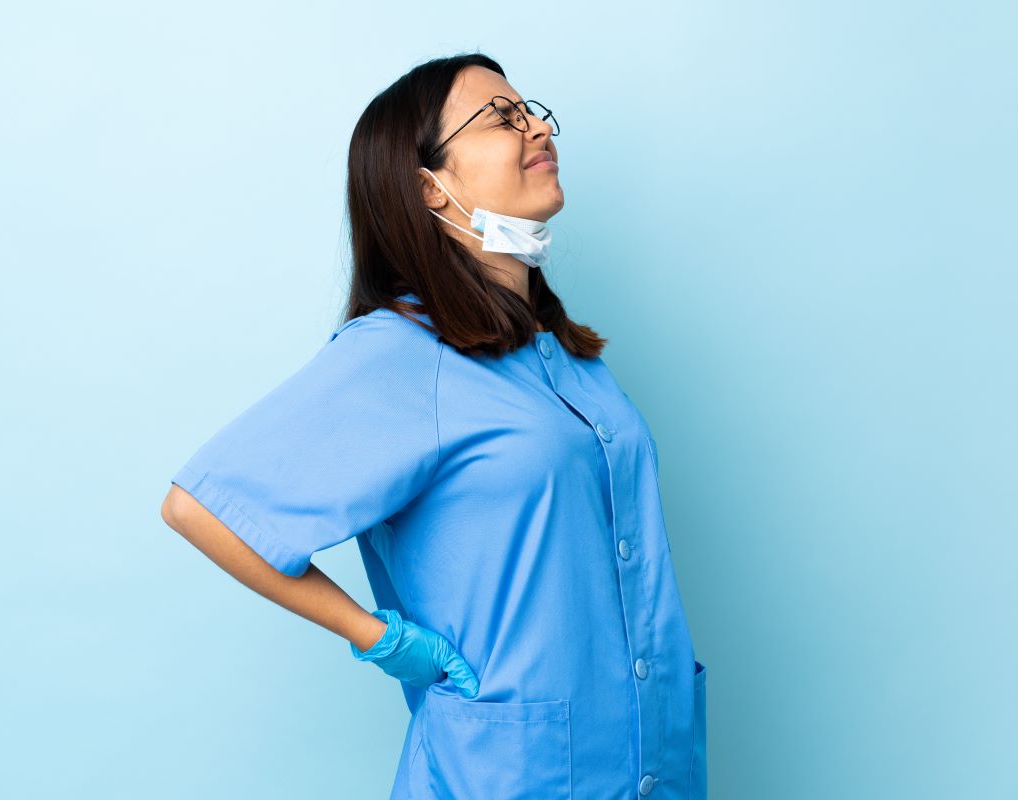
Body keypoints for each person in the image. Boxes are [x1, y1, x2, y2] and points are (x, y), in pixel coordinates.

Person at [160, 52, 707, 800]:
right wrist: (376, 635)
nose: (537, 126)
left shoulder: (570, 361)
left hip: (649, 766)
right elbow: (202, 507)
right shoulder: (401, 355)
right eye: (503, 117)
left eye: (532, 109)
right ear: (430, 186)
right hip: (512, 777)